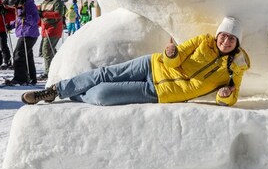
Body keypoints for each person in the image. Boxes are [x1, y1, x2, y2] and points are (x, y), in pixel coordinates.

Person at [21, 16, 251, 107]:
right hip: (153, 65)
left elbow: (232, 98)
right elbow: (176, 58)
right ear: (218, 34)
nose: (226, 41)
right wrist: (172, 55)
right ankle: (53, 91)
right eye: (224, 35)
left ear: (237, 42)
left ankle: (75, 91)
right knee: (104, 74)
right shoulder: (203, 41)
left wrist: (226, 96)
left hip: (160, 92)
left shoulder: (235, 68)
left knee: (101, 95)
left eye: (232, 38)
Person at [5, 0, 40, 86]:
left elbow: (36, 20)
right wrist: (11, 25)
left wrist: (26, 17)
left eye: (16, 5)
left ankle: (20, 78)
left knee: (18, 55)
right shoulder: (20, 7)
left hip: (29, 34)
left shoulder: (30, 5)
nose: (15, 7)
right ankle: (32, 78)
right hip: (24, 33)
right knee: (27, 56)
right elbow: (19, 20)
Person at [38, 0, 67, 80]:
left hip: (53, 29)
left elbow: (58, 14)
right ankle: (58, 67)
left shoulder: (57, 2)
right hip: (45, 29)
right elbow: (39, 13)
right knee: (51, 50)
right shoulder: (44, 2)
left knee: (46, 50)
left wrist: (43, 14)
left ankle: (48, 72)